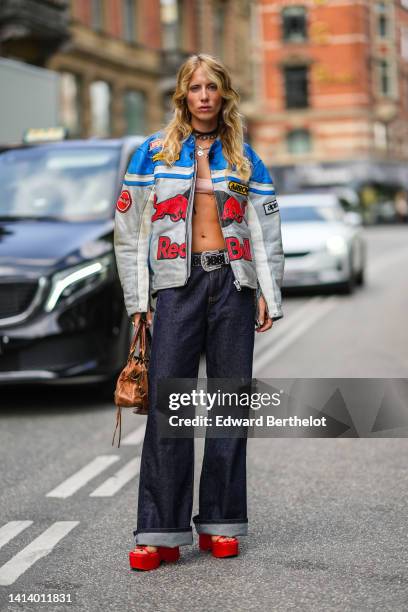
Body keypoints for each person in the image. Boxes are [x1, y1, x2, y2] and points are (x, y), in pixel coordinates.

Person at [113, 53, 285, 571]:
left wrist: (265, 291)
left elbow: (266, 231)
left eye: (213, 87)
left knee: (231, 406)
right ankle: (160, 531)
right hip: (176, 287)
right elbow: (130, 235)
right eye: (195, 87)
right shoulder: (152, 155)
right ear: (183, 96)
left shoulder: (246, 158)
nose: (204, 96)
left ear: (224, 95)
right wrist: (139, 302)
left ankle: (221, 523)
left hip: (232, 285)